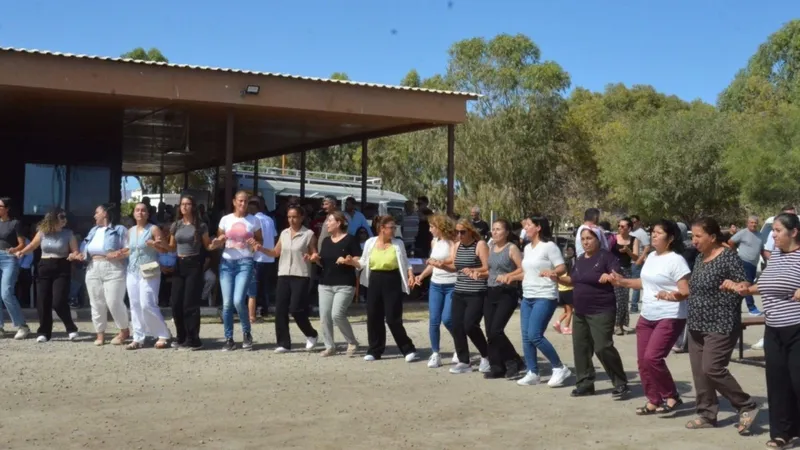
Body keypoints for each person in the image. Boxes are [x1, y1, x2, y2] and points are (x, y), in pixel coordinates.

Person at [722, 213, 800, 449]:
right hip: (774, 328)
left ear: (794, 232)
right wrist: (745, 288)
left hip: (797, 328)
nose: (772, 235)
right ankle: (781, 433)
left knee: (798, 381)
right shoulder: (776, 255)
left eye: (777, 231)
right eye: (773, 230)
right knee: (777, 382)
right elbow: (768, 285)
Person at [683, 217, 758, 434]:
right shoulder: (699, 259)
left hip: (721, 322)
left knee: (712, 368)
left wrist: (735, 285)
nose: (694, 241)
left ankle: (746, 405)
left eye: (698, 236)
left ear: (713, 237)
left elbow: (744, 285)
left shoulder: (728, 257)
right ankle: (706, 413)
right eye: (692, 236)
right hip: (696, 323)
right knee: (700, 372)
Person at [611, 220, 690, 415]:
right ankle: (653, 400)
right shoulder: (652, 256)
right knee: (642, 361)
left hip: (670, 315)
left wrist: (670, 296)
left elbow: (685, 291)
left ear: (670, 238)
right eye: (652, 232)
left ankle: (671, 395)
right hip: (648, 316)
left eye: (659, 233)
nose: (654, 235)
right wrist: (622, 282)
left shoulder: (676, 260)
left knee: (652, 357)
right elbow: (644, 282)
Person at [556, 227, 629, 398]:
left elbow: (617, 276)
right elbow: (572, 279)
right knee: (581, 348)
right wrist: (556, 278)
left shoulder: (607, 257)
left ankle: (620, 382)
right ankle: (585, 383)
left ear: (598, 239)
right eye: (583, 239)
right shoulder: (580, 259)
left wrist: (610, 277)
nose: (586, 242)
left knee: (603, 346)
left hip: (601, 310)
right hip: (580, 311)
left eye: (589, 238)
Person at [346, 215, 418, 362]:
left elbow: (405, 262)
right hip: (375, 279)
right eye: (391, 227)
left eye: (394, 227)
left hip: (392, 279)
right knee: (373, 316)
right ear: (381, 229)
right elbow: (363, 262)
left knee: (393, 318)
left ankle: (407, 348)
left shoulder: (398, 244)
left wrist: (410, 274)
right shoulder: (370, 243)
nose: (393, 230)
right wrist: (352, 262)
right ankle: (375, 350)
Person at [513, 215, 572, 387]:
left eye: (529, 225)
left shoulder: (549, 246)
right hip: (528, 296)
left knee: (535, 335)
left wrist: (552, 272)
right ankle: (533, 372)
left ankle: (559, 367)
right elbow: (528, 271)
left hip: (545, 295)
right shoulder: (528, 247)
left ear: (538, 227)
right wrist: (510, 277)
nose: (525, 228)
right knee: (526, 337)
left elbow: (562, 267)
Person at [252, 205, 319, 353]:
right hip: (283, 274)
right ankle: (283, 343)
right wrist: (261, 248)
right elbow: (276, 252)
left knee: (296, 308)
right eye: (289, 217)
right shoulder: (284, 233)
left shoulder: (308, 234)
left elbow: (315, 254)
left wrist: (312, 257)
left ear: (302, 217)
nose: (291, 220)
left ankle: (311, 334)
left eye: (294, 216)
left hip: (300, 275)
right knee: (280, 310)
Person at [15, 208, 80, 342]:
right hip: (44, 266)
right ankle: (44, 332)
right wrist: (22, 252)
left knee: (58, 301)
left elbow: (75, 251)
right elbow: (33, 245)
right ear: (53, 219)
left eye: (65, 217)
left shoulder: (68, 234)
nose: (65, 220)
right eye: (62, 217)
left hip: (61, 267)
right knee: (43, 301)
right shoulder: (42, 233)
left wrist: (73, 255)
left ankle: (71, 327)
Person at [215, 191, 263, 352]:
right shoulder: (225, 219)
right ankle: (229, 338)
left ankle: (246, 332)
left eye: (246, 201)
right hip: (227, 263)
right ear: (234, 202)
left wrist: (254, 243)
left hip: (245, 262)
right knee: (227, 303)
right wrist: (219, 240)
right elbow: (219, 240)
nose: (243, 204)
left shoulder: (254, 220)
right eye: (240, 201)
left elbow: (259, 241)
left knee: (237, 300)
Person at [119, 203, 171, 350]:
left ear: (148, 214)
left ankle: (163, 333)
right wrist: (120, 253)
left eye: (143, 210)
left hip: (149, 269)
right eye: (137, 210)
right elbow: (130, 250)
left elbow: (166, 249)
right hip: (132, 271)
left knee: (147, 303)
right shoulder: (130, 231)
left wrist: (154, 245)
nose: (140, 213)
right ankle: (138, 337)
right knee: (135, 305)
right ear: (134, 214)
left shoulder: (153, 229)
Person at [168, 195, 217, 350]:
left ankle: (193, 339)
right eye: (182, 204)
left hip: (193, 263)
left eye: (188, 204)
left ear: (193, 207)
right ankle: (181, 336)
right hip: (179, 263)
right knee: (175, 302)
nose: (184, 207)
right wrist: (159, 244)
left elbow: (207, 246)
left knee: (190, 303)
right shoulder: (176, 225)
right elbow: (171, 247)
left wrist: (217, 243)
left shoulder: (200, 226)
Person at [443, 219, 490, 374]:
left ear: (471, 231)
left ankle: (486, 355)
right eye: (457, 232)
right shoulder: (457, 245)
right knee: (456, 326)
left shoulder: (480, 245)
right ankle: (464, 361)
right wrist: (441, 265)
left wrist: (473, 270)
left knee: (470, 325)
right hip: (459, 291)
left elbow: (487, 267)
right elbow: (455, 267)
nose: (459, 235)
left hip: (476, 291)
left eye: (462, 232)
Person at [80, 203, 130, 346]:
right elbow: (85, 249)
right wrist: (78, 255)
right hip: (93, 267)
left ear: (105, 214)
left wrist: (118, 254)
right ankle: (100, 334)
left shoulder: (119, 229)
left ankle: (124, 330)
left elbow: (129, 248)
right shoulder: (93, 231)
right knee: (96, 302)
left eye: (97, 212)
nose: (94, 215)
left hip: (113, 267)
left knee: (113, 301)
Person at [313, 211, 361, 356]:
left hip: (345, 284)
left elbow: (359, 262)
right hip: (325, 283)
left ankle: (352, 341)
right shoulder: (326, 241)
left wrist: (349, 261)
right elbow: (323, 262)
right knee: (325, 316)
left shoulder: (351, 240)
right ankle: (330, 346)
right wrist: (315, 259)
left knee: (337, 315)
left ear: (339, 223)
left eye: (330, 221)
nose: (327, 223)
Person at [481, 219, 525, 379]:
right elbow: (489, 269)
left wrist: (509, 276)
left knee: (496, 331)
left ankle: (513, 361)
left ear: (507, 232)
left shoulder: (511, 248)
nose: (495, 232)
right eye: (493, 229)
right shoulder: (491, 247)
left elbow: (523, 269)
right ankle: (496, 366)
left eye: (498, 229)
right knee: (490, 332)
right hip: (490, 291)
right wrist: (478, 273)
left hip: (507, 292)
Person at [414, 214, 458, 368]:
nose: (430, 229)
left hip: (451, 284)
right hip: (435, 284)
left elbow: (453, 260)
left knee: (447, 319)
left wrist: (439, 262)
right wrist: (421, 275)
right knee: (434, 320)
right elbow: (432, 264)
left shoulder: (453, 241)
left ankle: (459, 345)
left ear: (440, 227)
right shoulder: (434, 242)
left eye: (432, 227)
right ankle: (435, 353)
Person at [0, 197, 30, 339]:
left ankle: (22, 325)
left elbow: (22, 244)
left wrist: (14, 249)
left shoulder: (15, 223)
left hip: (8, 259)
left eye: (0, 206)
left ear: (7, 209)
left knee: (6, 292)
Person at [247, 197, 277, 323]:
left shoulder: (254, 220)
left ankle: (258, 309)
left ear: (254, 208)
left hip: (258, 256)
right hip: (269, 257)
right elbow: (275, 237)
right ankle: (264, 308)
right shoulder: (269, 219)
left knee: (255, 285)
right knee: (264, 285)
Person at [727, 216, 764, 316]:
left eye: (755, 223)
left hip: (753, 264)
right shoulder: (743, 232)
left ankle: (733, 308)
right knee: (747, 285)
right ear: (747, 223)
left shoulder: (760, 235)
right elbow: (730, 241)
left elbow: (762, 250)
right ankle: (751, 308)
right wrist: (735, 252)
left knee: (744, 285)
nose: (753, 224)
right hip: (743, 261)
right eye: (751, 222)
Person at [612, 218, 639, 335]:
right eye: (619, 226)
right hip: (614, 271)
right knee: (617, 299)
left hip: (626, 271)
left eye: (623, 226)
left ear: (629, 228)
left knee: (624, 299)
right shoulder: (613, 238)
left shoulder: (634, 240)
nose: (620, 228)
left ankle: (621, 324)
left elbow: (636, 258)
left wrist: (628, 251)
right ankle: (616, 324)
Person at [629, 214, 652, 313]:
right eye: (631, 222)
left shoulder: (641, 233)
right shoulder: (631, 232)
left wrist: (641, 259)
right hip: (630, 261)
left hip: (637, 262)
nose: (633, 224)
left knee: (636, 285)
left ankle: (634, 306)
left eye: (634, 222)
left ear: (638, 222)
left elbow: (647, 247)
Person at [554, 245, 576, 335]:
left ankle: (558, 322)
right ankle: (566, 327)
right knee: (570, 311)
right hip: (568, 290)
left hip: (561, 291)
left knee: (566, 311)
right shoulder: (568, 270)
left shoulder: (559, 271)